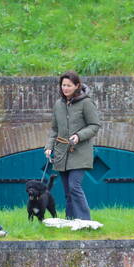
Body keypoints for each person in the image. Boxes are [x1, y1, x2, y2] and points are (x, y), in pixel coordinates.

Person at [45, 70, 101, 220]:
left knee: (74, 187)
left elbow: (94, 125)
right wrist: (49, 146)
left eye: (69, 85)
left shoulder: (86, 103)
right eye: (63, 85)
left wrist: (79, 136)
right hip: (62, 153)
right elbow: (54, 129)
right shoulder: (58, 104)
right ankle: (71, 220)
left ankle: (85, 221)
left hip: (80, 152)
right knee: (67, 191)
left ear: (77, 86)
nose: (65, 88)